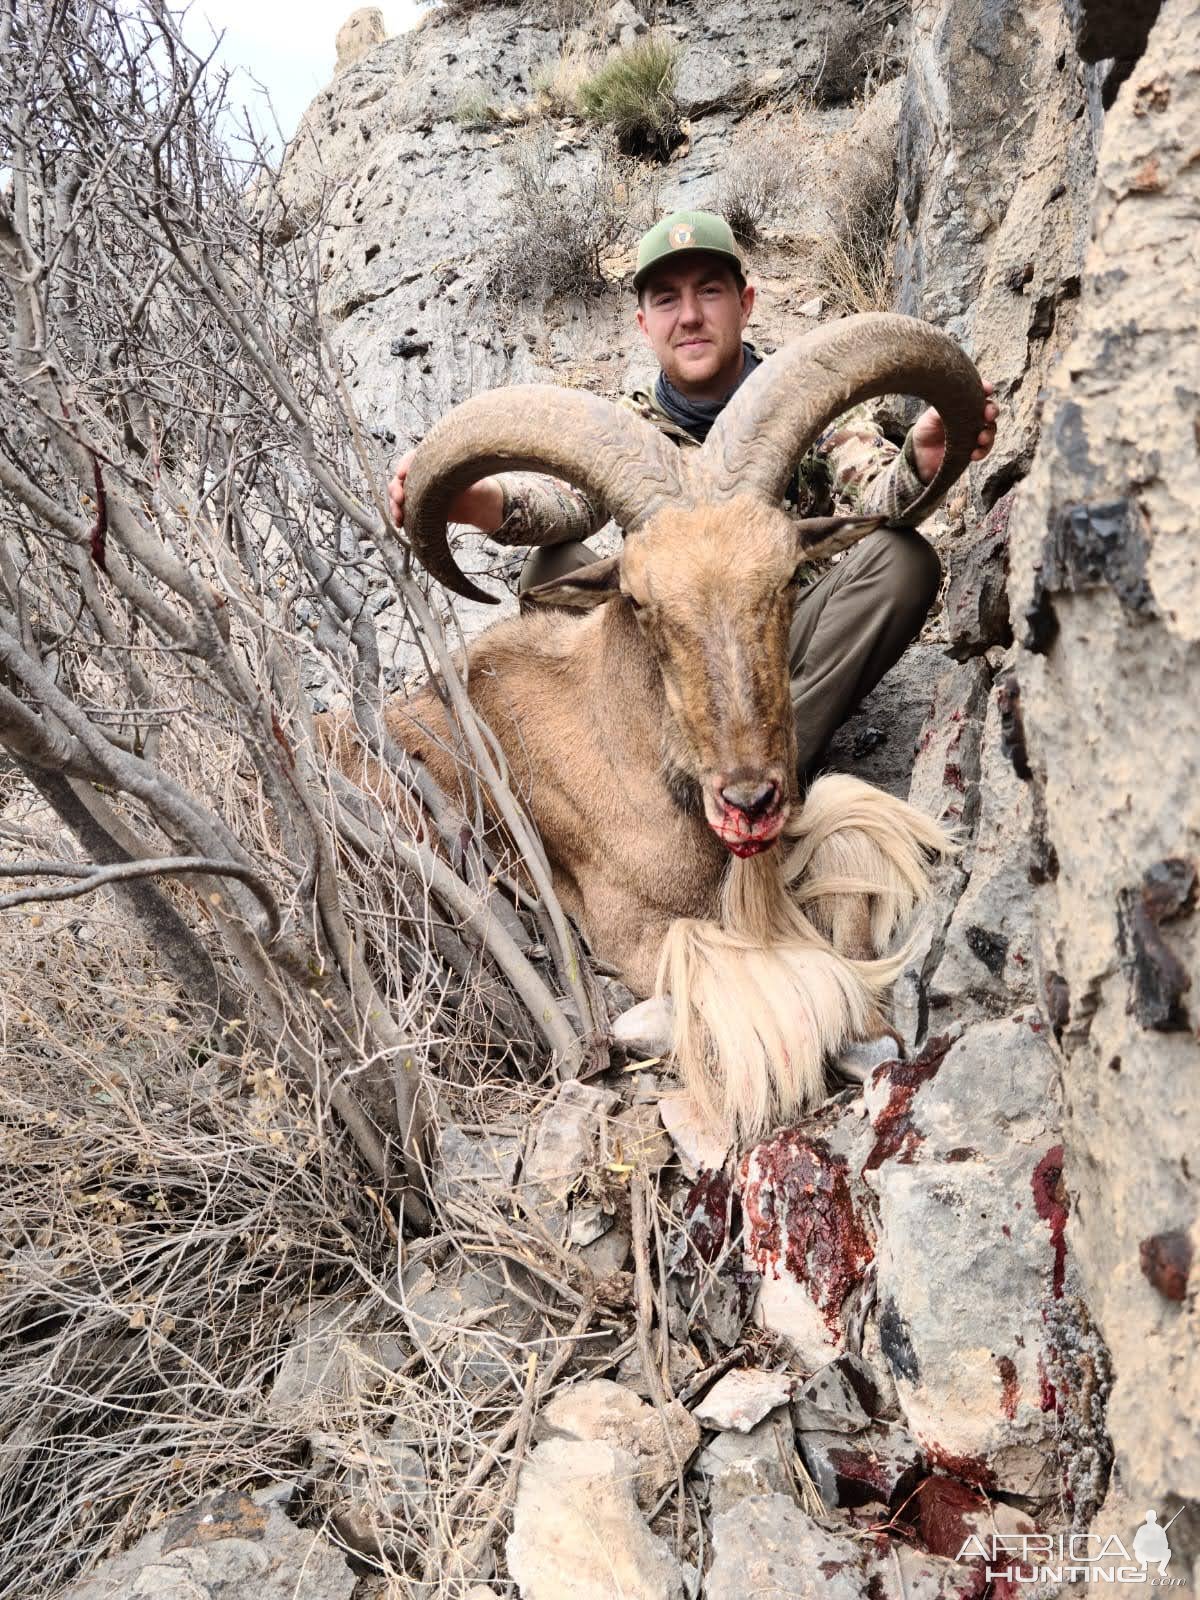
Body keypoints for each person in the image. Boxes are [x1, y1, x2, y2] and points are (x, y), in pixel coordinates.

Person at [388, 210, 999, 779]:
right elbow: (563, 507)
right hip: (668, 661)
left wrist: (921, 463)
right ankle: (646, 777)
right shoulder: (629, 426)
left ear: (745, 302)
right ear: (644, 325)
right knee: (553, 567)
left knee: (903, 560)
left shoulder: (801, 399)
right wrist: (473, 499)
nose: (689, 316)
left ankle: (772, 770)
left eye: (709, 290)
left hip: (779, 640)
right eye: (666, 299)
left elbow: (873, 488)